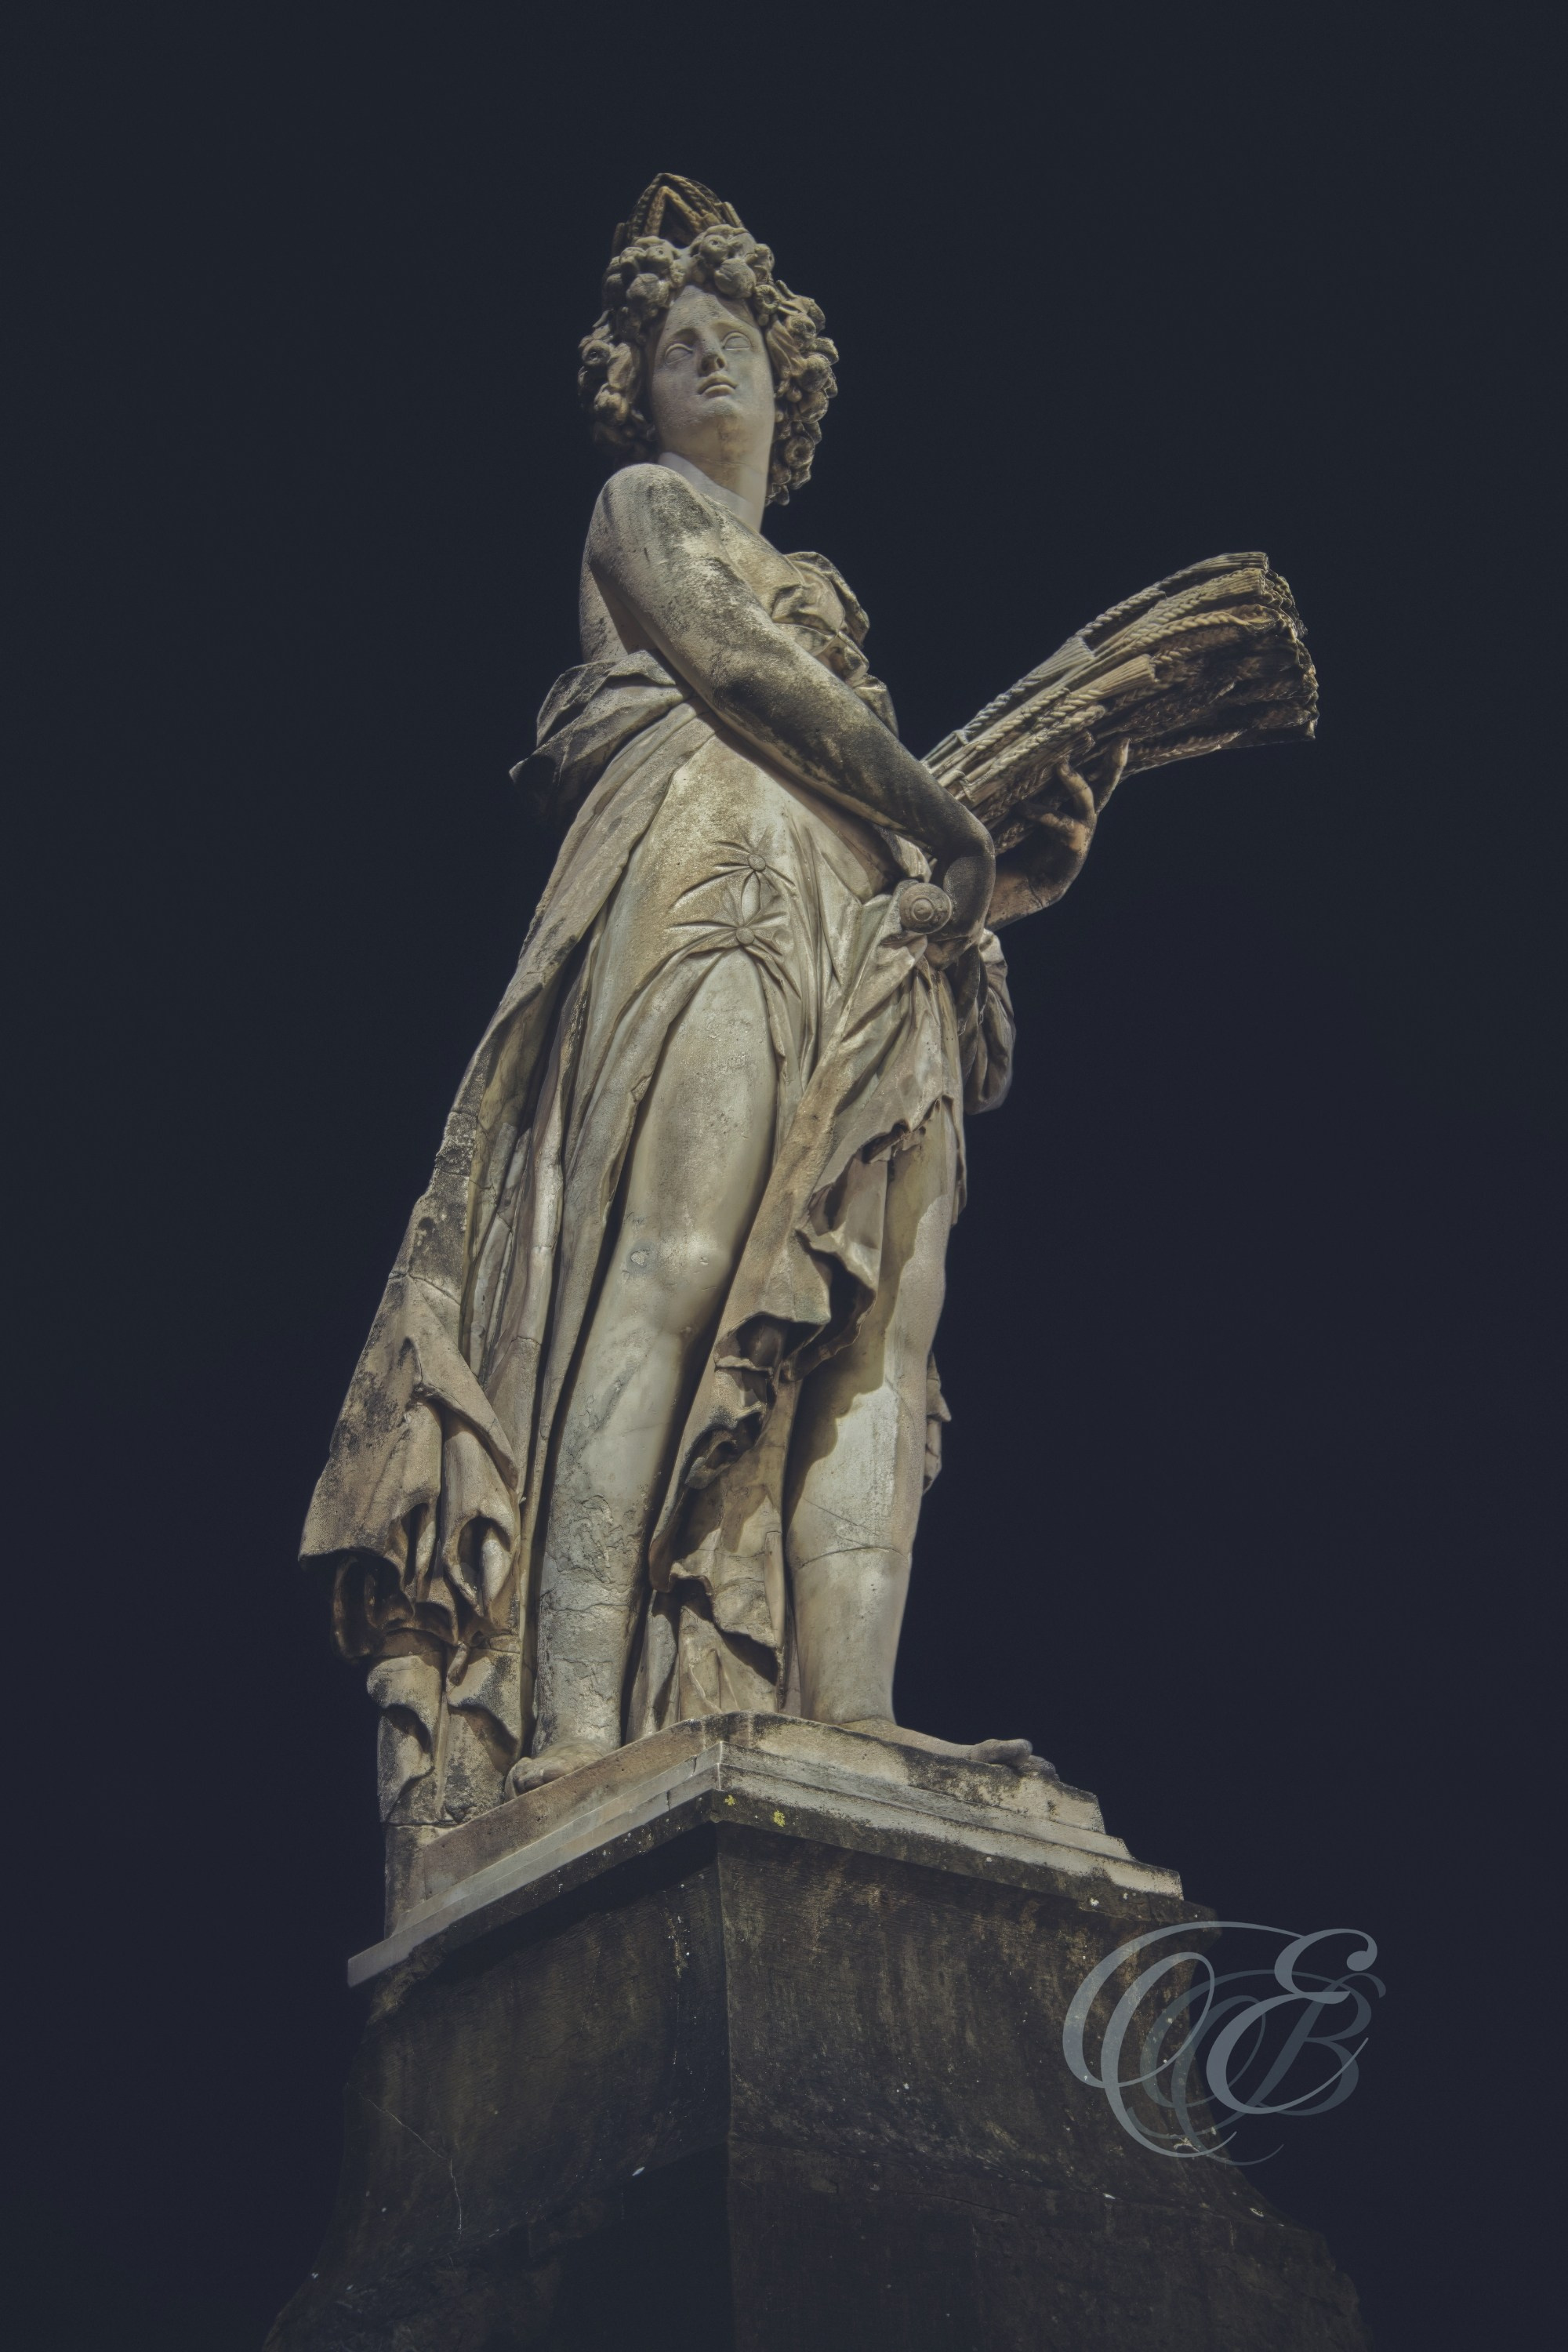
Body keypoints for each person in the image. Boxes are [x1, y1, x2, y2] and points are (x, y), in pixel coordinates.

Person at [303, 177, 1062, 1841]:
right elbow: (737, 671)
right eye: (674, 347)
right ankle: (574, 1730)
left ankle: (845, 1723)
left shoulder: (835, 615)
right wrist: (942, 812)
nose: (708, 365)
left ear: (793, 397)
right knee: (676, 1262)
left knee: (875, 1334)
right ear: (631, 397)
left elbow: (852, 745)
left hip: (869, 933)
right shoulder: (647, 513)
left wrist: (983, 885)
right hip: (712, 858)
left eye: (736, 346)